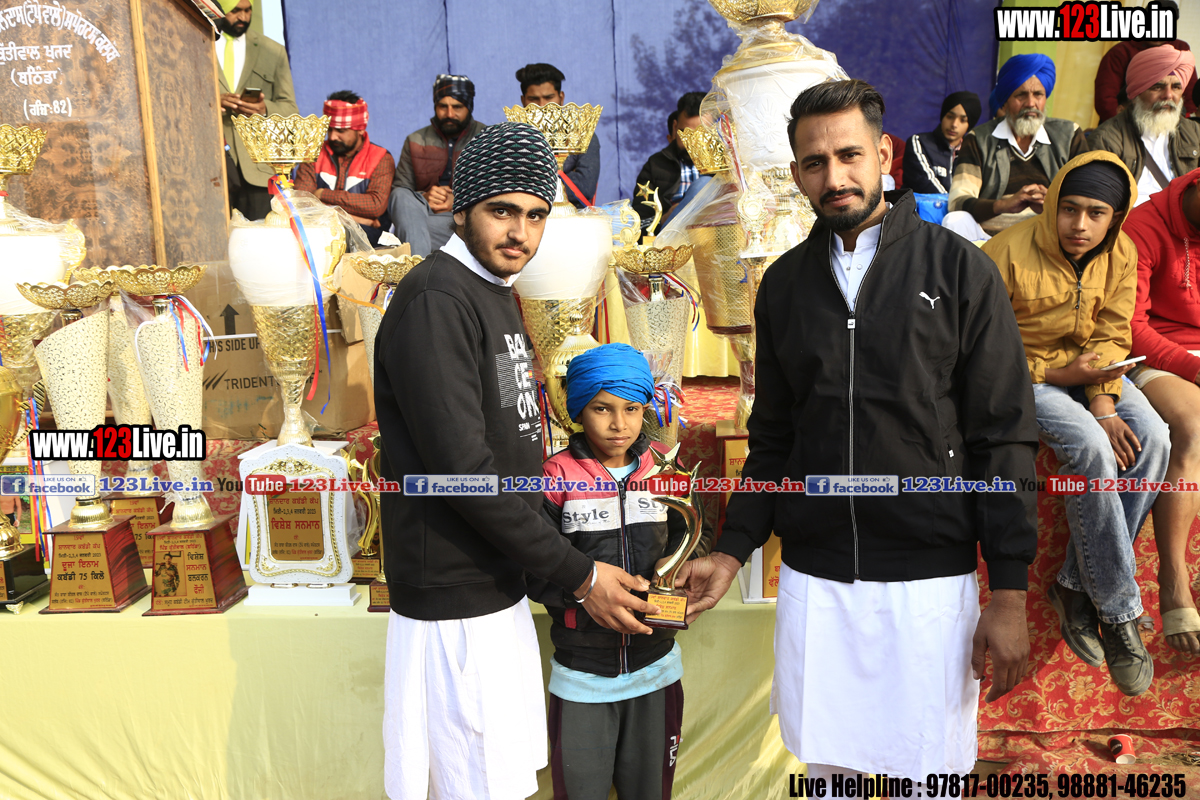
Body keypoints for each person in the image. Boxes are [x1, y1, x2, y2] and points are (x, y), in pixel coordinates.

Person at [675, 79, 1039, 782]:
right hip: (817, 582)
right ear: (796, 174)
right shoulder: (783, 285)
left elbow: (1003, 436)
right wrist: (731, 550)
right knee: (829, 774)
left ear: (885, 154)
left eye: (849, 155)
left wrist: (1010, 592)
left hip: (928, 581)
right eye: (815, 163)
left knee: (926, 777)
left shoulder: (959, 269)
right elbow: (773, 436)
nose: (835, 177)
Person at [374, 121, 658, 800]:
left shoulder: (492, 291)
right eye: (502, 211)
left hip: (495, 586)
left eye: (536, 215)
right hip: (454, 603)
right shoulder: (437, 299)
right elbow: (464, 474)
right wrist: (580, 575)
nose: (520, 233)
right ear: (459, 208)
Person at [982, 152, 1170, 695]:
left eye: (1095, 213)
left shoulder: (1123, 252)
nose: (1079, 225)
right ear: (1054, 205)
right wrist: (1062, 375)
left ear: (1116, 217)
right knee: (1090, 446)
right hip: (1028, 376)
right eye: (1070, 209)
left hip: (1095, 372)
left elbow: (1113, 333)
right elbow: (983, 344)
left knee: (1155, 439)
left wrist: (1103, 400)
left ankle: (1073, 585)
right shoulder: (1004, 252)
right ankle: (1119, 611)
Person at [530, 343, 712, 800]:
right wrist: (582, 590)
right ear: (578, 410)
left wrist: (679, 570)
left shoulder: (666, 466)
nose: (619, 424)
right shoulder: (554, 477)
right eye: (602, 408)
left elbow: (696, 534)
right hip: (582, 676)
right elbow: (534, 568)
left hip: (657, 669)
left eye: (631, 409)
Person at [1124, 167, 1200, 656]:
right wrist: (1192, 367)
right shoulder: (1144, 225)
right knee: (1193, 426)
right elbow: (1130, 327)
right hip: (1156, 356)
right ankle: (1173, 580)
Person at [945, 54, 1089, 241]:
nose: (1030, 103)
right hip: (990, 237)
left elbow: (1087, 194)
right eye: (1021, 95)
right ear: (1005, 101)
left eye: (1038, 94)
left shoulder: (1069, 135)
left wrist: (1053, 202)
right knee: (955, 220)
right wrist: (1004, 205)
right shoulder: (979, 139)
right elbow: (958, 201)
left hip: (1049, 233)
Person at [215, 0, 297, 221]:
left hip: (259, 170)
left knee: (261, 238)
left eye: (247, 10)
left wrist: (264, 108)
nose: (243, 17)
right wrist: (212, 102)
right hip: (213, 169)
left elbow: (291, 110)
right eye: (235, 11)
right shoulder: (197, 43)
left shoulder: (273, 51)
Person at [388, 75, 487, 256]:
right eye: (443, 106)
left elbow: (495, 192)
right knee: (399, 194)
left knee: (410, 231)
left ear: (469, 107)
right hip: (420, 213)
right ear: (435, 106)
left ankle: (417, 264)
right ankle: (422, 266)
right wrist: (424, 197)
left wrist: (458, 201)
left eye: (457, 107)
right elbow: (401, 192)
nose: (449, 114)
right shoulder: (415, 140)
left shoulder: (486, 139)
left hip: (464, 219)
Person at [1092, 46, 1199, 208]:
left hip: (1181, 217)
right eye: (1157, 87)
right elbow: (1100, 198)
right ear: (1138, 92)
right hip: (1130, 218)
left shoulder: (1194, 132)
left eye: (1176, 87)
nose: (1168, 95)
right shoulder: (1106, 138)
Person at [293, 91, 396, 246]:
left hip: (367, 237)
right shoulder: (313, 154)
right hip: (319, 231)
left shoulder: (381, 158)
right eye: (329, 129)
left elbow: (375, 205)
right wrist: (354, 218)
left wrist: (322, 194)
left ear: (360, 129)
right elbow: (302, 203)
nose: (332, 137)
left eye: (340, 131)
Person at [516, 63, 600, 208]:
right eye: (534, 99)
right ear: (523, 101)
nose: (542, 106)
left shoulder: (583, 135)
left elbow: (585, 187)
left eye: (549, 97)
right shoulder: (512, 138)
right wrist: (564, 178)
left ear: (561, 97)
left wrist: (529, 180)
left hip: (573, 218)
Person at [1094, 2, 1194, 123]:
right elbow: (1105, 99)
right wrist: (1122, 125)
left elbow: (1190, 94)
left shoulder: (1180, 50)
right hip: (1125, 122)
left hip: (1169, 123)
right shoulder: (1121, 52)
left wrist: (1181, 125)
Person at [633, 92, 706, 233]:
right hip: (669, 235)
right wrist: (663, 218)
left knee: (703, 184)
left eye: (699, 134)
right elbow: (639, 220)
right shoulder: (656, 165)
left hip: (714, 234)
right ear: (675, 127)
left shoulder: (726, 165)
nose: (691, 142)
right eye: (685, 133)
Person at [902, 91, 982, 195]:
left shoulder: (973, 153)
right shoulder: (919, 142)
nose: (954, 124)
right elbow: (925, 183)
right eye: (950, 116)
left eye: (962, 120)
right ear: (942, 116)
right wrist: (954, 202)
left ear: (969, 125)